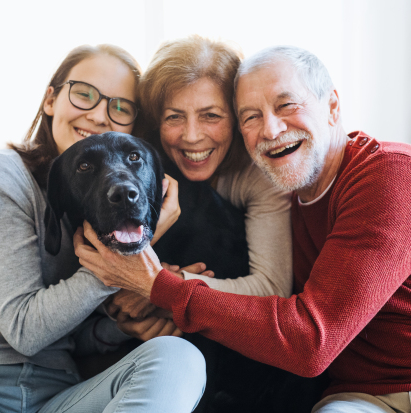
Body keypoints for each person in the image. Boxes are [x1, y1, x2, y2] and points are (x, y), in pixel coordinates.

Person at [74, 45, 411, 412]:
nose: (272, 129)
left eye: (287, 105)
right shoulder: (281, 192)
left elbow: (310, 341)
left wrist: (160, 287)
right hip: (363, 398)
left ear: (333, 106)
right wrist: (150, 309)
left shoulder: (391, 175)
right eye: (251, 116)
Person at [0, 44, 205, 413]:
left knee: (179, 358)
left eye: (119, 107)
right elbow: (24, 330)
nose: (98, 115)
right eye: (84, 94)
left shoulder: (101, 205)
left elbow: (71, 334)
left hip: (55, 395)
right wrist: (134, 253)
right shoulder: (0, 175)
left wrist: (121, 328)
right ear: (50, 100)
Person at [104, 36, 296, 412]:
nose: (192, 136)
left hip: (246, 362)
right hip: (158, 354)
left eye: (211, 115)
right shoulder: (138, 165)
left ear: (238, 116)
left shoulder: (260, 171)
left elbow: (271, 288)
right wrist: (120, 317)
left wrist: (162, 288)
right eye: (174, 117)